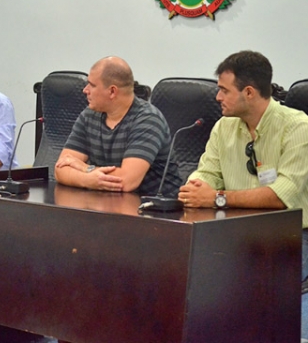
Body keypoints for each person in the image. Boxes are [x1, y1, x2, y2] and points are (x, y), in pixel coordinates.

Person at [178, 50, 308, 281]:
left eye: (224, 90)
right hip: (233, 232)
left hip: (289, 237)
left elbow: (281, 196)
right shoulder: (223, 127)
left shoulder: (298, 127)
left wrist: (217, 197)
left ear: (249, 92)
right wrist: (195, 188)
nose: (217, 97)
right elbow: (208, 172)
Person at [54, 56, 181, 196]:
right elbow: (61, 168)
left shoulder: (148, 119)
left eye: (92, 85)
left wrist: (85, 168)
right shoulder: (89, 115)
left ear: (112, 91)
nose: (85, 90)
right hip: (108, 205)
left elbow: (126, 182)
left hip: (156, 211)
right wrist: (88, 180)